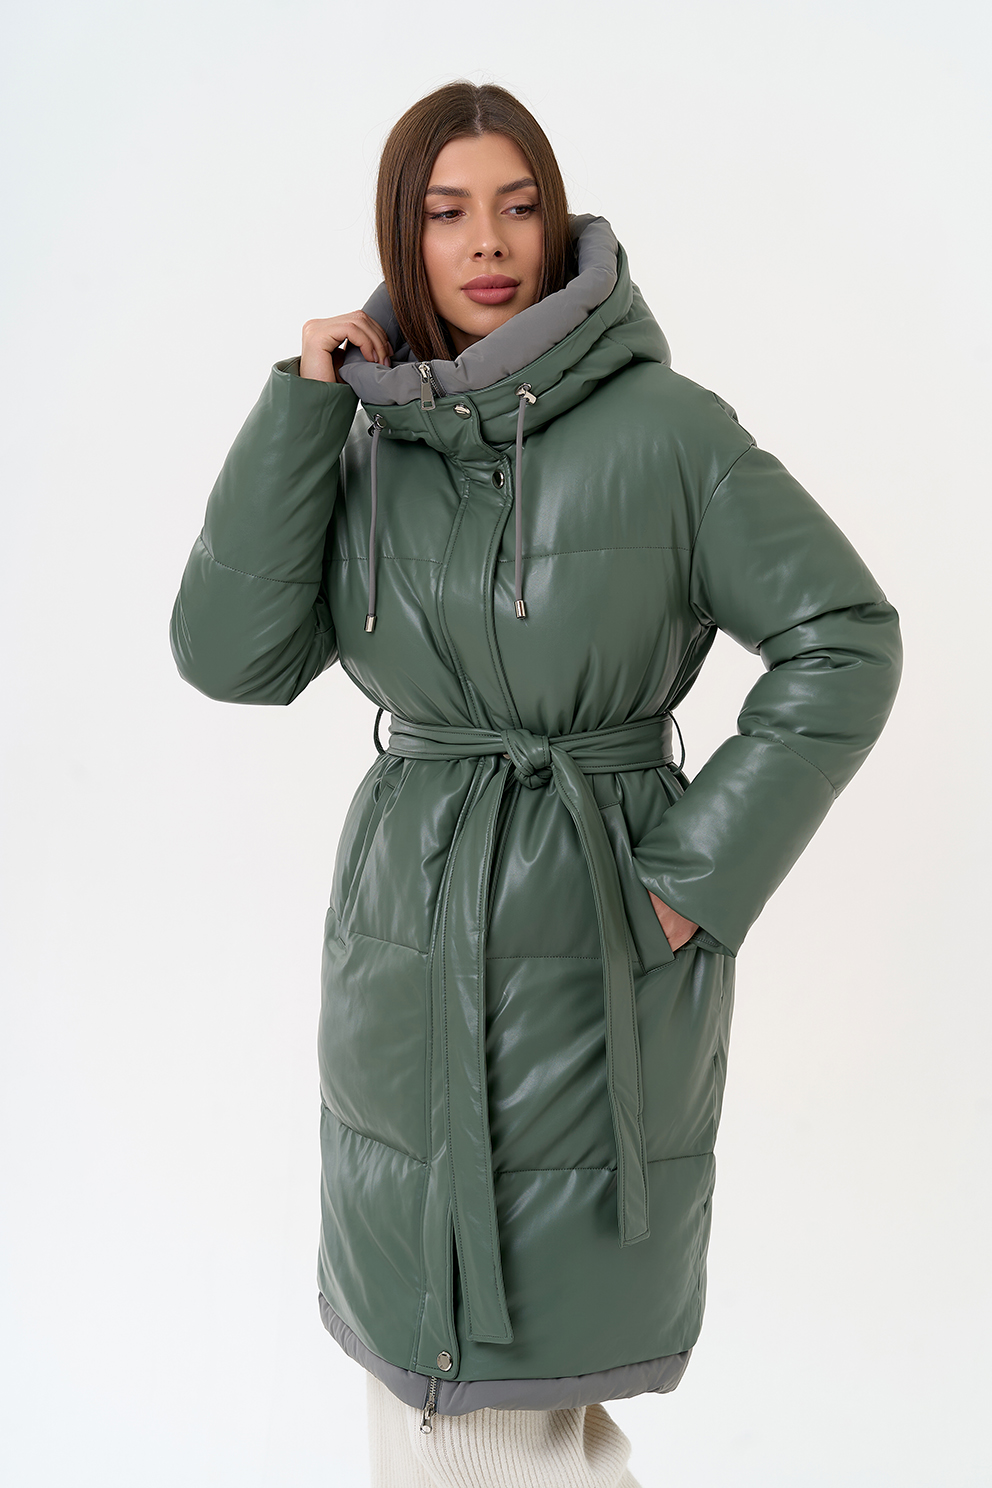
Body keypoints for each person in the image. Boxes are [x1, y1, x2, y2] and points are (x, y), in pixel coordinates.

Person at [170, 80, 902, 1487]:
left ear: (557, 222)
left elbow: (846, 638)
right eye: (447, 213)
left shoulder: (670, 431)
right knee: (445, 1389)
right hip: (404, 932)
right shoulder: (364, 443)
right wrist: (300, 416)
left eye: (518, 206)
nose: (489, 242)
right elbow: (229, 658)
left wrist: (695, 879)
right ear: (402, 238)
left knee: (502, 1401)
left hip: (593, 934)